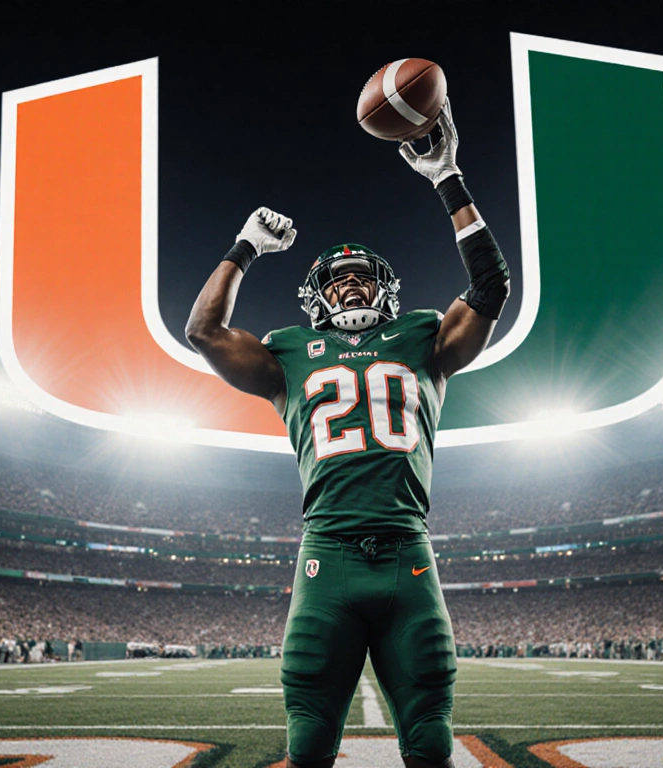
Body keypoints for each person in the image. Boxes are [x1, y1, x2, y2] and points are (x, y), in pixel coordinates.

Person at [185, 100, 507, 768]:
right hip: (325, 554)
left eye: (363, 274)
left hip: (406, 552)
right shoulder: (288, 352)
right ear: (318, 297)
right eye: (339, 277)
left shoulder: (422, 334)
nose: (352, 281)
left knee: (429, 738)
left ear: (385, 289)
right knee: (308, 742)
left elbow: (489, 285)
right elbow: (204, 333)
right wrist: (243, 250)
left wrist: (448, 176)